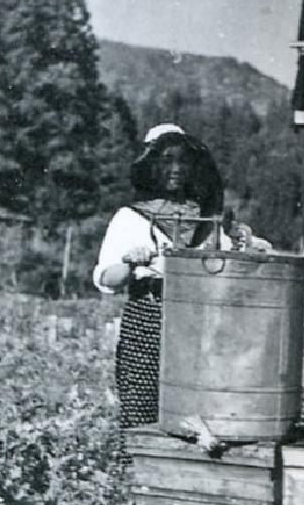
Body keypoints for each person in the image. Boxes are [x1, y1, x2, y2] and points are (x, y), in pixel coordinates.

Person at [93, 123, 268, 430]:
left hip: (200, 324)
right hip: (148, 320)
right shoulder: (130, 218)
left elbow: (234, 260)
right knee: (141, 409)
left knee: (198, 411)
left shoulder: (206, 219)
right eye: (165, 160)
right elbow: (106, 277)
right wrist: (130, 263)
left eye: (183, 161)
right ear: (150, 164)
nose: (175, 169)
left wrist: (248, 244)